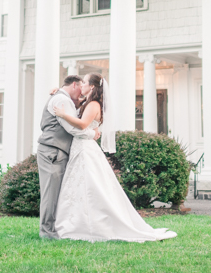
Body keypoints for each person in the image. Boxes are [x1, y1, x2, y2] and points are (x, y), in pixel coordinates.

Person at [52, 73, 177, 242]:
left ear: (93, 87)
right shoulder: (88, 103)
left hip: (84, 149)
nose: (81, 85)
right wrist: (58, 91)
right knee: (81, 186)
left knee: (89, 186)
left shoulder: (93, 104)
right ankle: (76, 222)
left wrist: (62, 114)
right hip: (82, 147)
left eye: (85, 83)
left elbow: (81, 125)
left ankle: (86, 225)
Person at [36, 75, 101, 239]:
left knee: (60, 193)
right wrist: (93, 133)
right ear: (74, 85)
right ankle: (47, 232)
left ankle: (56, 228)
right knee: (51, 192)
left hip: (58, 151)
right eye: (81, 86)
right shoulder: (61, 100)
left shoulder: (66, 99)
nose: (82, 91)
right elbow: (73, 129)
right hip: (53, 151)